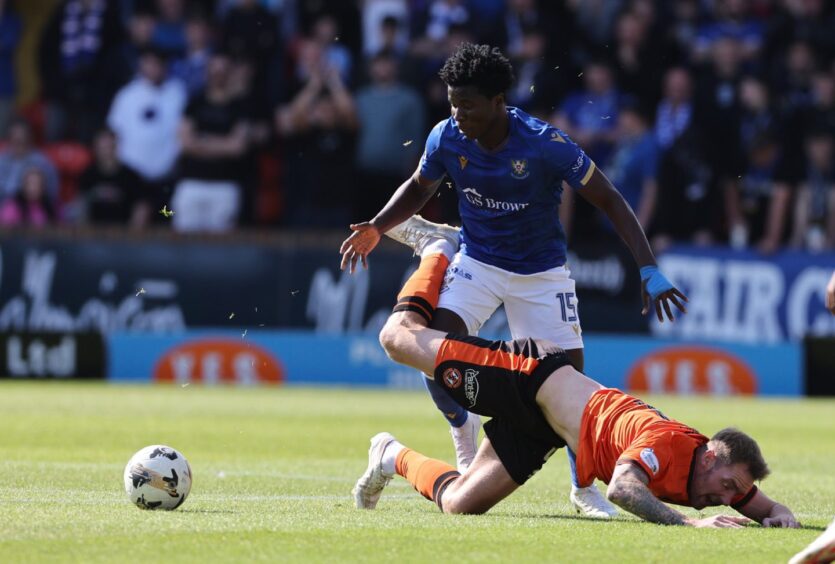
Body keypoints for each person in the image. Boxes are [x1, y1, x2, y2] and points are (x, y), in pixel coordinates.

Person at [340, 43, 687, 519]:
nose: (458, 113)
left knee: (573, 384)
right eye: (452, 102)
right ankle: (464, 450)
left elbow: (609, 199)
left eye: (468, 104)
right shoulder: (446, 137)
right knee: (435, 348)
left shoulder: (545, 143)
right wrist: (379, 226)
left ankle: (581, 487)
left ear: (498, 101)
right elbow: (420, 188)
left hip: (542, 274)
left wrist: (647, 267)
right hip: (478, 262)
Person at [352, 244, 799, 530]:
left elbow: (766, 506)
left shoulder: (718, 477)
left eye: (730, 493)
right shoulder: (667, 445)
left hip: (545, 427)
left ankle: (390, 455)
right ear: (710, 455)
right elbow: (623, 489)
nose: (723, 499)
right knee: (397, 338)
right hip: (528, 375)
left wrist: (783, 516)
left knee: (459, 505)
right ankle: (438, 249)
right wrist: (688, 525)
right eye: (725, 486)